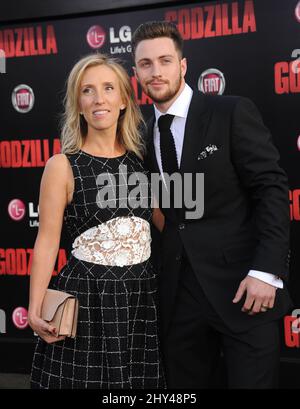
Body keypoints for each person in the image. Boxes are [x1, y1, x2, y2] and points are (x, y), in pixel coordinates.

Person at [132, 21, 292, 389]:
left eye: (165, 61)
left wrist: (266, 271)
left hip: (245, 290)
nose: (156, 72)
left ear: (183, 66)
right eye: (146, 64)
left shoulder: (230, 112)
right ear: (135, 72)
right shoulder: (138, 132)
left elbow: (270, 189)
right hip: (177, 297)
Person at [28, 53, 165, 389]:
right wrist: (34, 308)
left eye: (108, 88)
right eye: (88, 90)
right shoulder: (62, 165)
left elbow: (166, 224)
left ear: (123, 100)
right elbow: (47, 240)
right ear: (78, 102)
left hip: (139, 298)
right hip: (87, 300)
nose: (99, 98)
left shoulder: (143, 161)